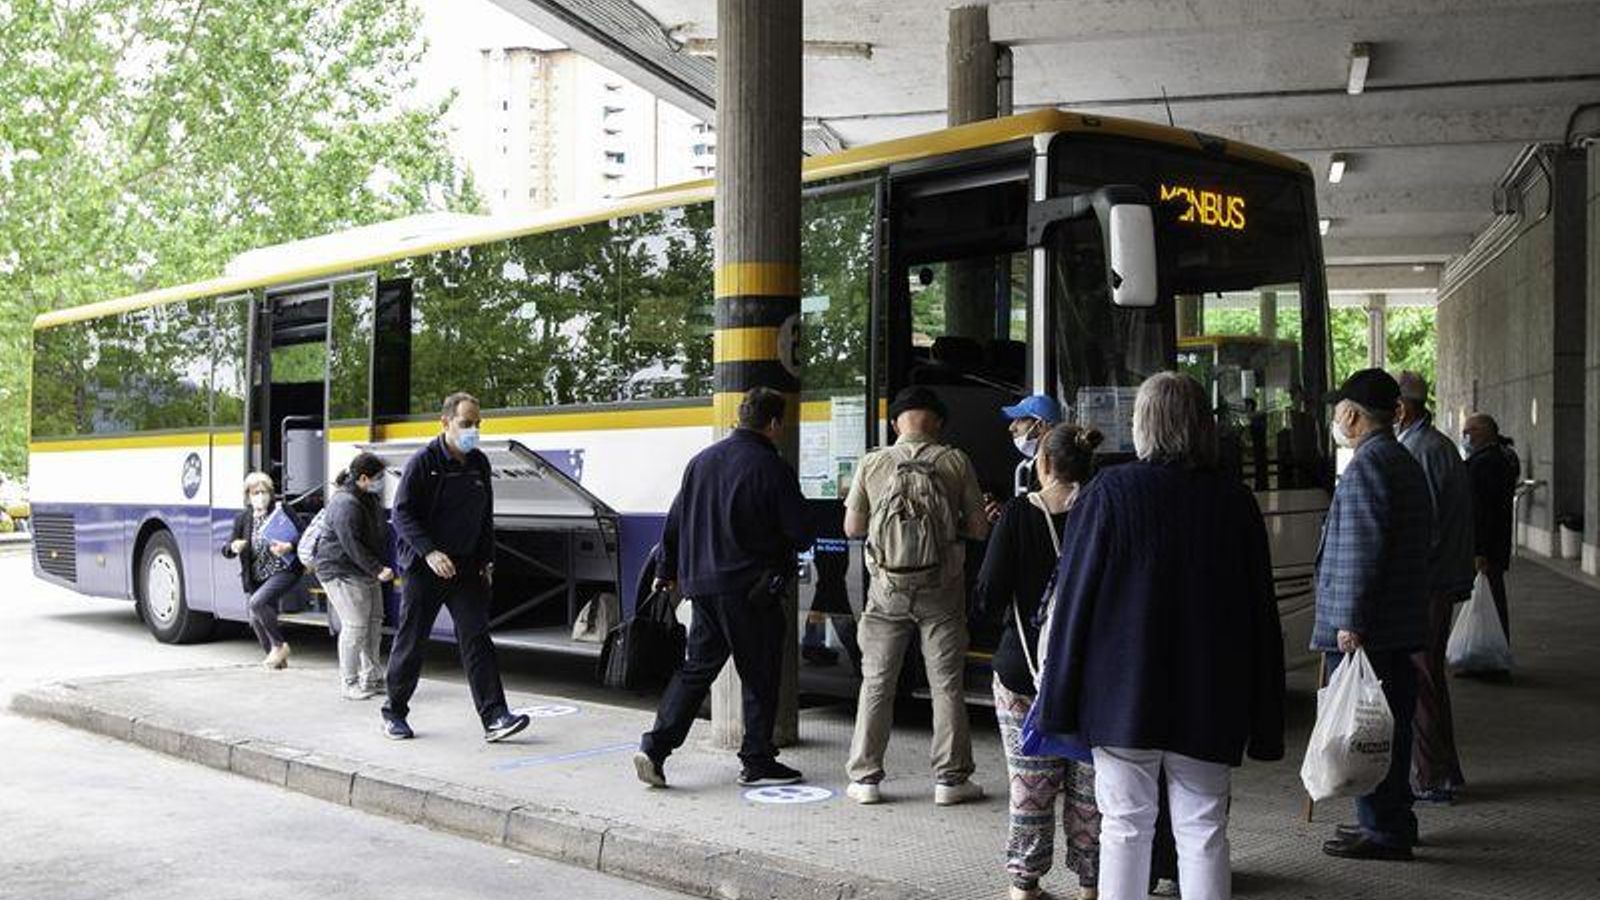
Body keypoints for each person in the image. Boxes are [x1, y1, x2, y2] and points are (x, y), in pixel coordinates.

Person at [1034, 372, 1285, 900]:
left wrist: (1060, 700)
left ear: (1142, 425)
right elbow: (1261, 611)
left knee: (1124, 826)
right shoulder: (1234, 501)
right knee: (1204, 827)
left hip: (1122, 699)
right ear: (1203, 426)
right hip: (1211, 698)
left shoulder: (1110, 492)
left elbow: (1074, 602)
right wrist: (1265, 717)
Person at [633, 387, 814, 789]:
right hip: (751, 590)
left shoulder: (701, 462)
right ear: (773, 423)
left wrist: (667, 569)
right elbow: (801, 534)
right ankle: (757, 760)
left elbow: (675, 522)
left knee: (695, 670)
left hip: (703, 588)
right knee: (761, 673)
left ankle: (655, 747)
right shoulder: (772, 467)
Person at [971, 424, 1106, 900]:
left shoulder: (1017, 515)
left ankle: (1025, 887)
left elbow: (987, 597)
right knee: (1090, 790)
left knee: (1031, 784)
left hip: (1023, 671)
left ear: (1042, 464)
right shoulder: (1105, 512)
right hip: (1094, 677)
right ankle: (1091, 886)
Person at [842, 386, 990, 806]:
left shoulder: (873, 462)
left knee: (877, 683)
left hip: (887, 591)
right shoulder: (954, 460)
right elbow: (978, 529)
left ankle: (866, 779)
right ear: (938, 423)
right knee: (946, 686)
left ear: (896, 423)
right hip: (941, 591)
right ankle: (950, 780)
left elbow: (853, 528)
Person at [1315, 368, 1432, 861]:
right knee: (1387, 724)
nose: (1336, 418)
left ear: (1351, 414)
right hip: (1398, 621)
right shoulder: (1399, 458)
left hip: (1372, 628)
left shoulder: (1369, 465)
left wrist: (1351, 622)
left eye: (1339, 409)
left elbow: (1362, 552)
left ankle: (1383, 829)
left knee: (1369, 727)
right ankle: (1386, 819)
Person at [381, 392, 529, 743]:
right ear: (445, 423)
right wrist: (429, 552)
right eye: (466, 424)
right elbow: (401, 513)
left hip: (466, 569)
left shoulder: (479, 463)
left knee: (477, 638)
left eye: (478, 424)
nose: (473, 430)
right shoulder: (424, 462)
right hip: (424, 567)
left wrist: (486, 560)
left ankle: (495, 717)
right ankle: (394, 712)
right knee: (412, 639)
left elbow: (484, 516)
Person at [1393, 372, 1474, 805]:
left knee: (1421, 678)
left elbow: (1426, 532)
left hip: (1426, 585)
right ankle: (1444, 771)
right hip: (1441, 581)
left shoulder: (1418, 453)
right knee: (1431, 678)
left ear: (1401, 409)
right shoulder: (1437, 446)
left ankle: (1428, 776)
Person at [317, 452, 396, 701]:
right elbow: (351, 545)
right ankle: (349, 682)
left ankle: (371, 678)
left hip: (361, 571)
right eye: (378, 477)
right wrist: (377, 569)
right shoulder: (346, 503)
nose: (382, 481)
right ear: (364, 478)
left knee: (373, 622)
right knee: (355, 626)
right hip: (340, 572)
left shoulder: (366, 497)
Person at [222, 472, 302, 669]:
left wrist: (289, 546)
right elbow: (227, 548)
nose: (260, 496)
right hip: (257, 576)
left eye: (264, 491)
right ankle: (276, 661)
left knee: (257, 602)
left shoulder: (281, 510)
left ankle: (280, 646)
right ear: (248, 496)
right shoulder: (243, 518)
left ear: (271, 493)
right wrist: (234, 547)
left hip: (283, 570)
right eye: (255, 492)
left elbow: (303, 533)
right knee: (256, 618)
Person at [1463, 413, 1520, 645]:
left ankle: (1490, 651)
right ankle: (1490, 648)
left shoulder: (1485, 463)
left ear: (1482, 432)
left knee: (1490, 597)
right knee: (1490, 596)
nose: (1465, 437)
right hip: (1496, 542)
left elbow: (1484, 510)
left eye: (1469, 431)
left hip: (1488, 546)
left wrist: (1480, 550)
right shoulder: (1501, 458)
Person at [1002, 394, 1062, 496]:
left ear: (1040, 426)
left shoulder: (1052, 467)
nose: (1012, 427)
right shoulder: (1036, 462)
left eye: (1020, 420)